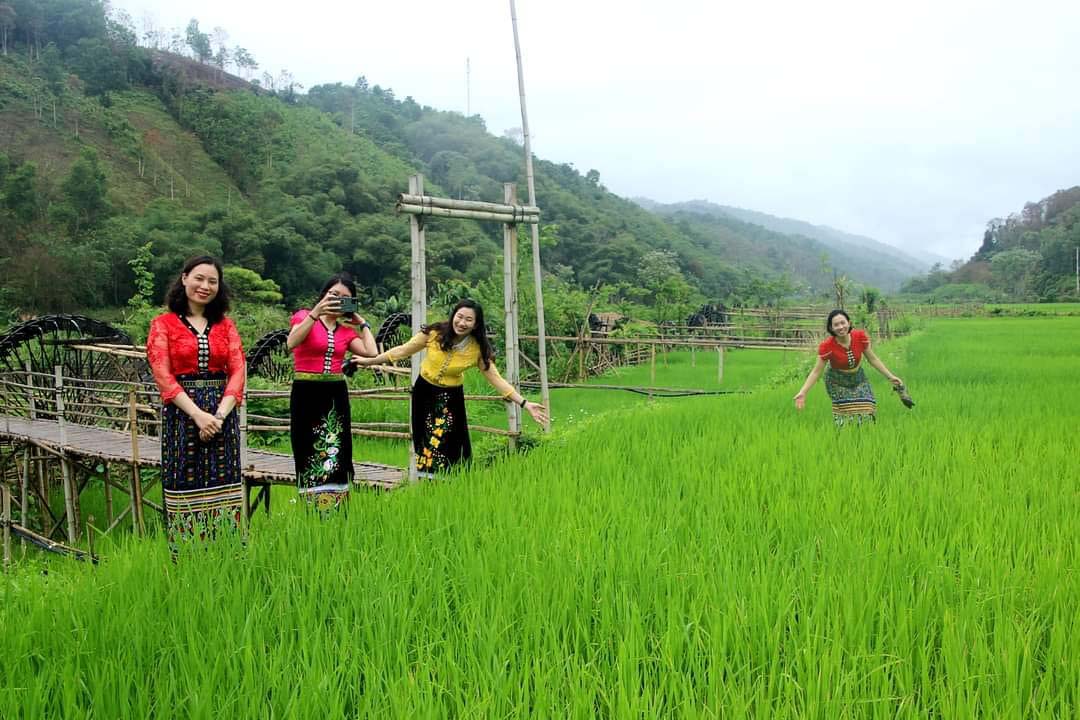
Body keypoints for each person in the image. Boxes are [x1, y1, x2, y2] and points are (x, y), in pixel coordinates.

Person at [353, 299, 548, 475]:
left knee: (451, 441)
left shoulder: (478, 349)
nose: (462, 323)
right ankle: (426, 479)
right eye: (460, 316)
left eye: (468, 320)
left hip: (450, 396)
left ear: (476, 324)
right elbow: (403, 350)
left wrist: (525, 403)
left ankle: (453, 480)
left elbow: (496, 379)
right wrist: (369, 362)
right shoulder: (434, 333)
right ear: (453, 315)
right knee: (425, 437)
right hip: (424, 391)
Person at [146, 256, 246, 554]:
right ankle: (187, 560)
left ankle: (228, 556)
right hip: (182, 415)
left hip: (222, 415)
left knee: (224, 482)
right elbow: (162, 373)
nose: (205, 286)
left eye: (212, 281)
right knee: (184, 481)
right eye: (199, 278)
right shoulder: (162, 325)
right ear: (185, 278)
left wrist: (218, 415)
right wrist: (198, 416)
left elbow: (238, 369)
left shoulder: (225, 326)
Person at [287, 273, 377, 509]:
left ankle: (337, 504)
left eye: (345, 298)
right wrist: (315, 313)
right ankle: (311, 505)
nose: (337, 300)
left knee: (338, 445)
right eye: (333, 295)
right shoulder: (303, 317)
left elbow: (371, 353)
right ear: (324, 295)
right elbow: (291, 343)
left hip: (335, 393)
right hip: (306, 391)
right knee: (307, 444)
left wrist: (362, 322)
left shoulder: (346, 332)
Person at [793, 309, 902, 426]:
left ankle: (864, 438)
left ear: (849, 323)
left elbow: (873, 359)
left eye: (842, 323)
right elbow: (816, 372)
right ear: (831, 328)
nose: (840, 327)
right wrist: (803, 392)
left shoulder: (860, 337)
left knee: (868, 409)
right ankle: (844, 438)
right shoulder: (827, 346)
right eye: (836, 325)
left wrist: (890, 377)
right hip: (837, 381)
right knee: (845, 416)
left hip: (858, 378)